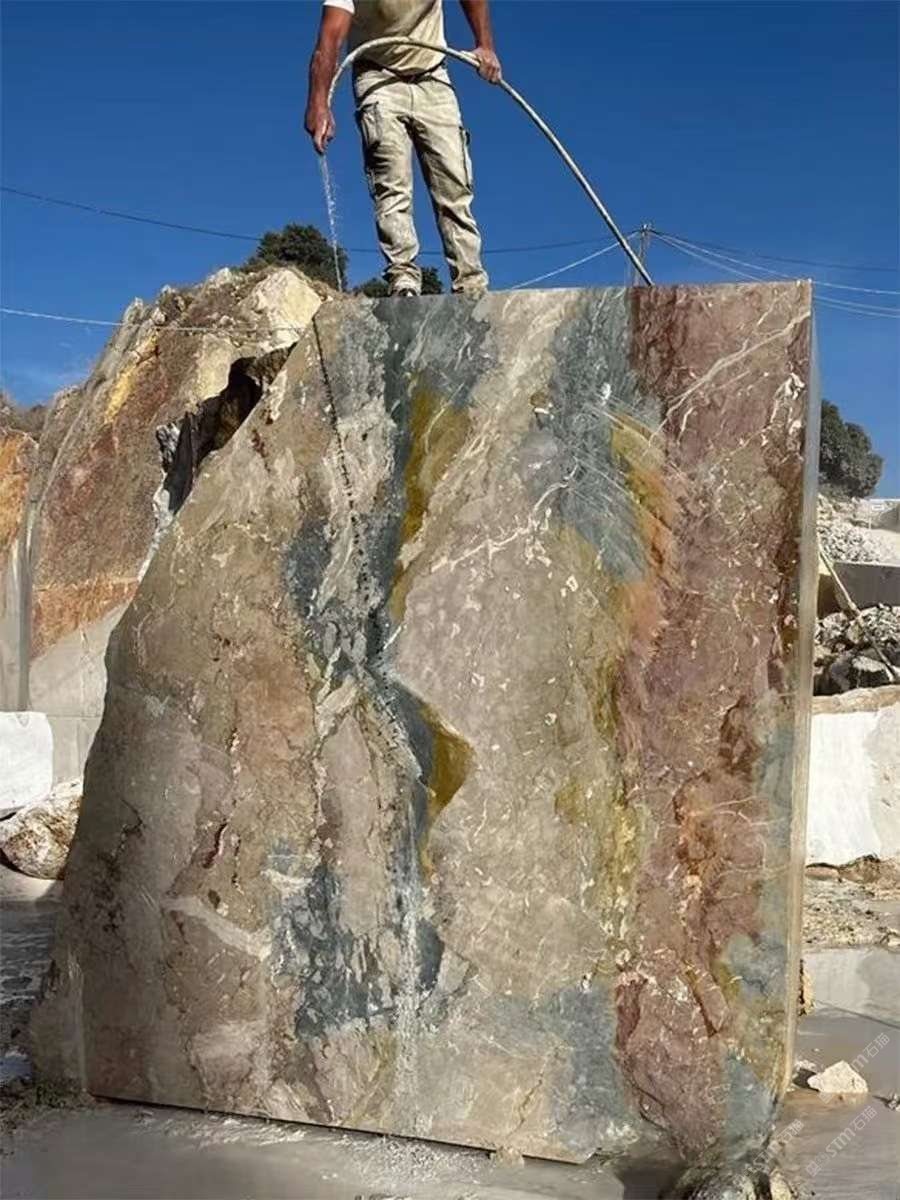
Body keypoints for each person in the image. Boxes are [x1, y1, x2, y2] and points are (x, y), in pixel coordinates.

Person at [305, 1, 500, 297]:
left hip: (432, 72)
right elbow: (329, 39)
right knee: (391, 181)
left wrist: (485, 46)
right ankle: (403, 279)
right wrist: (319, 103)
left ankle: (470, 283)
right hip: (377, 75)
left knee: (454, 184)